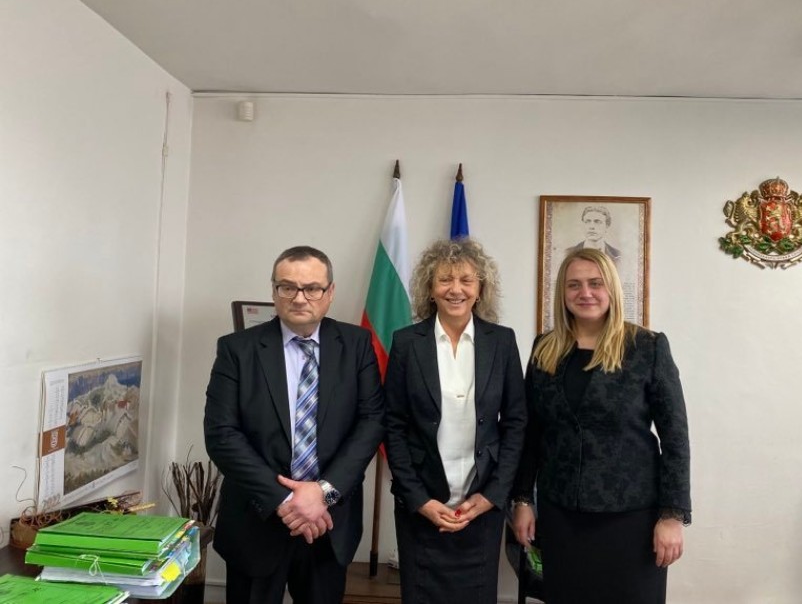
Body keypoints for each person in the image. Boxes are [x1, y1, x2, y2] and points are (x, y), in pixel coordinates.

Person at [204, 246, 384, 604]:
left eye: (312, 288)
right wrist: (287, 501)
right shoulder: (237, 349)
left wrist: (323, 493)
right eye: (287, 287)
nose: (300, 298)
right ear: (274, 291)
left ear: (330, 292)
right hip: (257, 521)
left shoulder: (356, 345)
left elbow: (372, 421)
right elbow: (221, 434)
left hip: (328, 523)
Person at [511, 247, 690, 604]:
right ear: (562, 293)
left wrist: (672, 515)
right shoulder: (544, 348)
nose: (585, 293)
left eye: (595, 283)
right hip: (561, 515)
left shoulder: (646, 347)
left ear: (611, 289)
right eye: (574, 285)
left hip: (631, 518)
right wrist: (522, 499)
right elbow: (532, 433)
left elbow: (675, 439)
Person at [384, 238, 526, 604]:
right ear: (430, 288)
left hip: (481, 504)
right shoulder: (406, 343)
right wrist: (418, 499)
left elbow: (515, 423)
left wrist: (492, 496)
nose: (456, 289)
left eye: (466, 279)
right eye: (445, 279)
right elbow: (393, 425)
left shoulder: (502, 342)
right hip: (422, 505)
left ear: (480, 288)